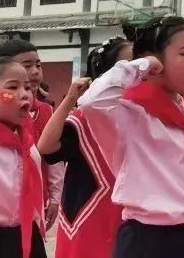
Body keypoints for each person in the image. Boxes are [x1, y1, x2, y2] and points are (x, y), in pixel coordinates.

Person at [77, 16, 184, 258]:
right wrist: (141, 64)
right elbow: (91, 101)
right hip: (150, 240)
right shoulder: (131, 114)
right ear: (155, 62)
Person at [37, 38, 133, 258]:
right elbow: (47, 146)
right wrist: (71, 99)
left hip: (131, 213)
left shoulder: (144, 115)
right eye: (129, 64)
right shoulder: (84, 119)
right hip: (89, 217)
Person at [0, 40, 60, 230]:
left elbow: (52, 158)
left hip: (33, 204)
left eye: (38, 65)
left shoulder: (45, 111)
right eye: (26, 66)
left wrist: (55, 196)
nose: (35, 71)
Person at [0, 57, 45, 258]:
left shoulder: (26, 142)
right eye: (13, 87)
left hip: (27, 235)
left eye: (27, 87)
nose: (24, 94)